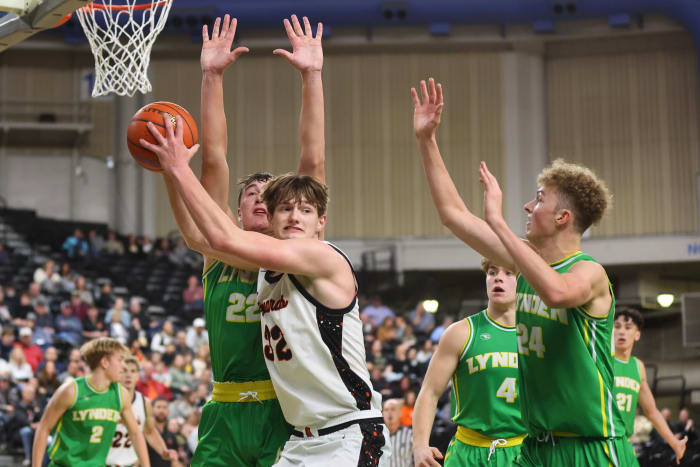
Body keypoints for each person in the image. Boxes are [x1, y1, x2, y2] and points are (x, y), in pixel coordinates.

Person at [412, 77, 629, 466]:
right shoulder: (523, 263)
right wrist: (426, 141)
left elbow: (558, 293)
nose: (528, 206)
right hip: (534, 447)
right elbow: (454, 215)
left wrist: (497, 221)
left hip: (590, 446)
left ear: (563, 217)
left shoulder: (590, 273)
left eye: (539, 199)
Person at [152, 13, 329, 467]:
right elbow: (213, 160)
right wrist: (211, 76)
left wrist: (313, 76)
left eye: (272, 198)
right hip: (224, 410)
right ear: (234, 212)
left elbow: (312, 162)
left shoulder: (297, 254)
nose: (262, 202)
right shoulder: (218, 249)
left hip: (284, 407)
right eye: (252, 195)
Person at [413, 258, 525, 466]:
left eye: (509, 273)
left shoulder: (537, 335)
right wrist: (419, 445)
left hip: (523, 450)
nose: (498, 278)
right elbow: (429, 392)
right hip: (468, 452)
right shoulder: (461, 332)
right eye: (492, 273)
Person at [31, 337, 150, 467]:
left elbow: (136, 433)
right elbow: (43, 429)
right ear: (105, 362)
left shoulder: (120, 394)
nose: (124, 366)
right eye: (120, 360)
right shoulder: (71, 391)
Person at [613, 308, 686, 464]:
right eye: (617, 326)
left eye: (627, 327)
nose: (621, 332)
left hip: (624, 444)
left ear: (637, 335)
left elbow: (652, 411)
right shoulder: (601, 359)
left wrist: (674, 442)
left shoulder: (638, 366)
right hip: (600, 442)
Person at [106, 356, 177, 467]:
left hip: (131, 463)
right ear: (118, 373)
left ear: (138, 376)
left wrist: (163, 451)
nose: (128, 375)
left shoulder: (145, 403)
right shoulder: (107, 398)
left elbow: (149, 431)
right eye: (125, 370)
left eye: (133, 371)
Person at [383, 399, 413, 467]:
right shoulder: (377, 435)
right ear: (382, 413)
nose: (389, 412)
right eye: (386, 410)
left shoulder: (410, 434)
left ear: (400, 413)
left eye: (393, 409)